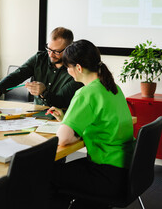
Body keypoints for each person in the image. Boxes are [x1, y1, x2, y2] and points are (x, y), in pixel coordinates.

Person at [47, 40, 135, 208]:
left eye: (68, 67)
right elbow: (100, 121)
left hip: (106, 174)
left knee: (46, 174)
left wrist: (67, 126)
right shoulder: (112, 87)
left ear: (78, 68)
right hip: (125, 171)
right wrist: (66, 118)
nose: (68, 72)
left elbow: (62, 140)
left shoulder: (86, 93)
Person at [0, 27, 83, 108]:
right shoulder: (40, 58)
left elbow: (61, 101)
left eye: (56, 51)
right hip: (36, 113)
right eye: (49, 49)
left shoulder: (75, 70)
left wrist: (44, 92)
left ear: (68, 49)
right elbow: (17, 75)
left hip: (60, 117)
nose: (51, 55)